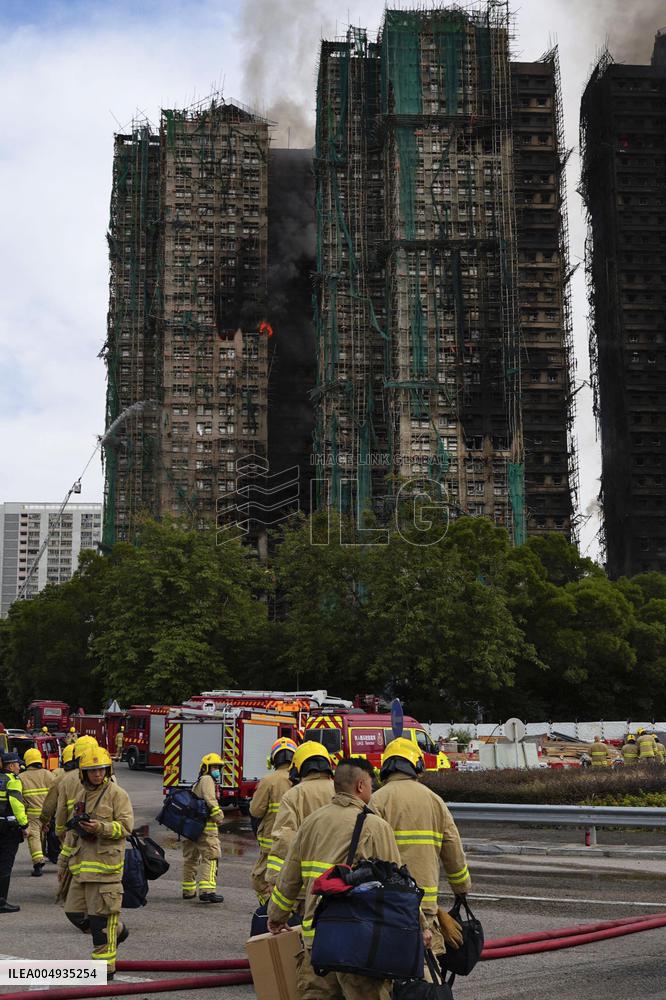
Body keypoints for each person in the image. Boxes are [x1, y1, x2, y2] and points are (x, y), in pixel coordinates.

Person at [267, 757, 415, 999]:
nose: (372, 789)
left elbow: (289, 879)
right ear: (360, 786)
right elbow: (399, 884)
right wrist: (418, 927)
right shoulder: (375, 826)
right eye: (370, 784)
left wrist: (276, 916)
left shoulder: (310, 823)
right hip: (358, 941)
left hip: (317, 943)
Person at [370, 737, 469, 969]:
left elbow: (367, 852)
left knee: (389, 969)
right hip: (425, 903)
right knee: (427, 973)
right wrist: (461, 889)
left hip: (387, 903)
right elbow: (453, 849)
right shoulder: (435, 800)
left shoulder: (376, 801)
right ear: (416, 766)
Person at [58, 747, 133, 977]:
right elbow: (73, 830)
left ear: (107, 770)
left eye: (101, 770)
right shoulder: (81, 795)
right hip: (81, 869)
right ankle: (117, 932)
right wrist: (63, 861)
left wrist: (101, 828)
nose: (97, 775)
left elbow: (126, 827)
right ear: (84, 773)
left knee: (101, 922)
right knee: (74, 913)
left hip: (105, 870)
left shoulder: (117, 794)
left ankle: (104, 968)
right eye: (92, 771)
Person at [266, 741, 335, 890]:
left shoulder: (293, 795)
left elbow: (284, 839)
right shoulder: (340, 791)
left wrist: (274, 879)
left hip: (304, 880)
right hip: (337, 880)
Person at [249, 737, 297, 904]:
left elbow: (256, 810)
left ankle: (271, 909)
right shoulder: (299, 781)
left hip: (271, 840)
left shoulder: (268, 781)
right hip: (296, 840)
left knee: (261, 880)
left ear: (273, 759)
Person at [181, 753, 225, 903]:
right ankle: (207, 891)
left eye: (218, 767)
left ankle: (188, 890)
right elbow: (210, 799)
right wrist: (219, 815)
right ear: (206, 768)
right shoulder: (207, 780)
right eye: (214, 767)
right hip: (206, 828)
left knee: (191, 858)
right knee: (211, 856)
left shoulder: (198, 781)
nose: (217, 770)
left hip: (193, 827)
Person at [19, 748, 56, 876]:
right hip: (48, 813)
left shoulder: (21, 777)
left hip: (32, 814)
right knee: (43, 836)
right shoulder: (48, 774)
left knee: (34, 837)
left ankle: (38, 863)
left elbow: (20, 800)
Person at [0, 751, 29, 913]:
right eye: (17, 764)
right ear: (11, 766)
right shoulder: (13, 780)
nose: (20, 766)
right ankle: (1, 902)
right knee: (5, 865)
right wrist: (24, 825)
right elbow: (17, 803)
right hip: (8, 829)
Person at [55, 736, 99, 840]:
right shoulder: (109, 777)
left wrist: (60, 830)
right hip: (100, 834)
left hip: (74, 831)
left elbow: (62, 808)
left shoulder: (66, 778)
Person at [41, 743, 76, 832]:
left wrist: (44, 821)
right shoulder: (94, 777)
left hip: (62, 824)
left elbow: (50, 804)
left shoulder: (58, 776)